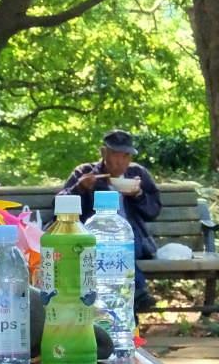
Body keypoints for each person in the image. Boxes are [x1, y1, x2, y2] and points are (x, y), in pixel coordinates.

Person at [59, 129, 161, 310]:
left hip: (133, 237)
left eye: (126, 156)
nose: (121, 161)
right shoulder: (86, 173)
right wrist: (79, 189)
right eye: (116, 154)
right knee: (105, 245)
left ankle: (131, 298)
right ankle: (137, 294)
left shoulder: (137, 174)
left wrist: (138, 195)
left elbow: (153, 210)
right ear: (103, 153)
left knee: (118, 243)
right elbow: (59, 207)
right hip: (94, 238)